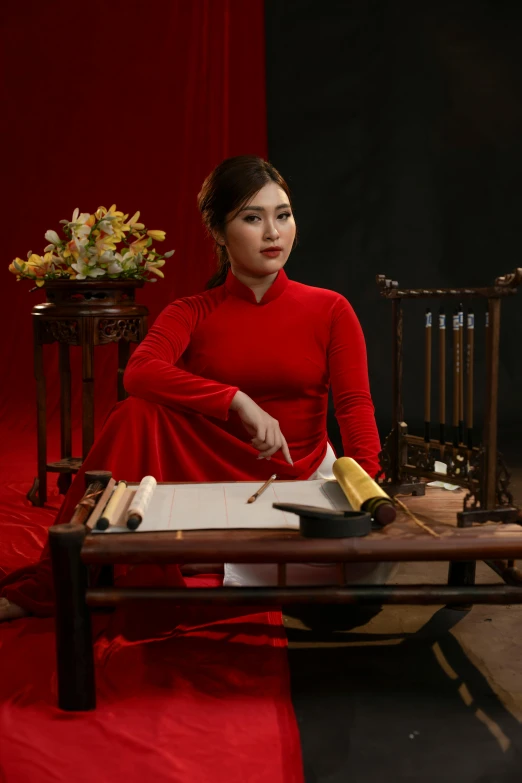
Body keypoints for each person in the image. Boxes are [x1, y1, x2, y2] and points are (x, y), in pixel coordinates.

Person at [0, 154, 391, 623]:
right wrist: (236, 399)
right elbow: (139, 372)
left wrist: (367, 490)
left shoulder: (330, 309)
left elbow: (354, 405)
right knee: (135, 414)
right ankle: (64, 575)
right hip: (210, 472)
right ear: (219, 232)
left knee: (359, 564)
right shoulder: (194, 310)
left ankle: (198, 559)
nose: (273, 232)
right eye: (252, 218)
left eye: (283, 215)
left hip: (293, 472)